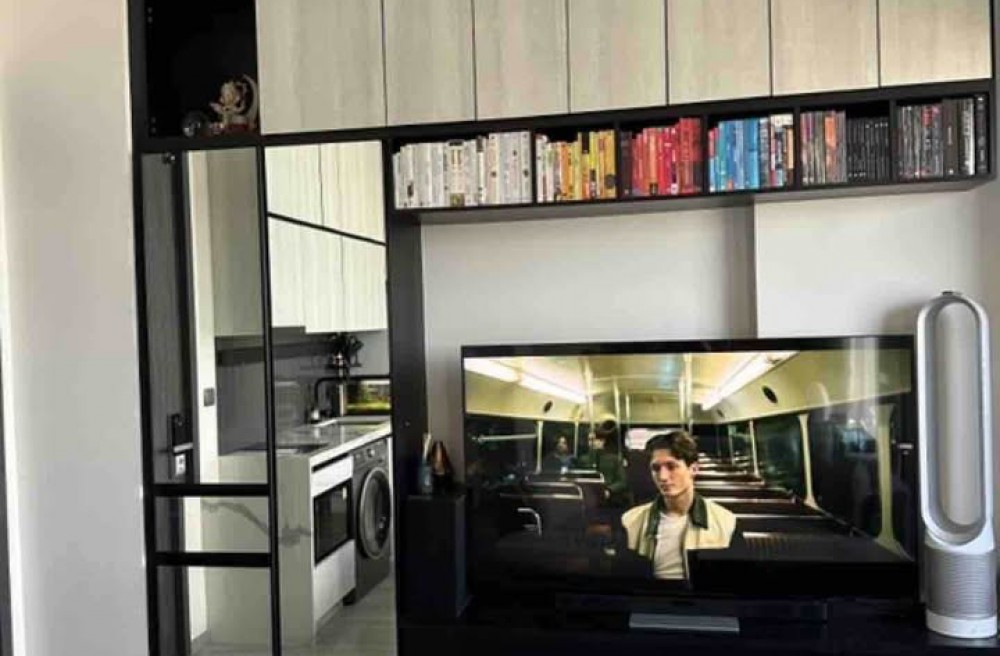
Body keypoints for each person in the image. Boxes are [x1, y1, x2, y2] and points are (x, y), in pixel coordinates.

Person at [621, 430, 735, 580]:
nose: (662, 477)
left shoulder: (727, 523)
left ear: (693, 469)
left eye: (671, 466)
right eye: (656, 468)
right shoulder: (630, 522)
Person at [576, 420, 629, 505]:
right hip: (588, 495)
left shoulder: (615, 459)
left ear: (602, 441)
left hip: (611, 496)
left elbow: (622, 481)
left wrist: (609, 490)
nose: (592, 443)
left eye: (595, 440)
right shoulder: (583, 460)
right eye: (589, 440)